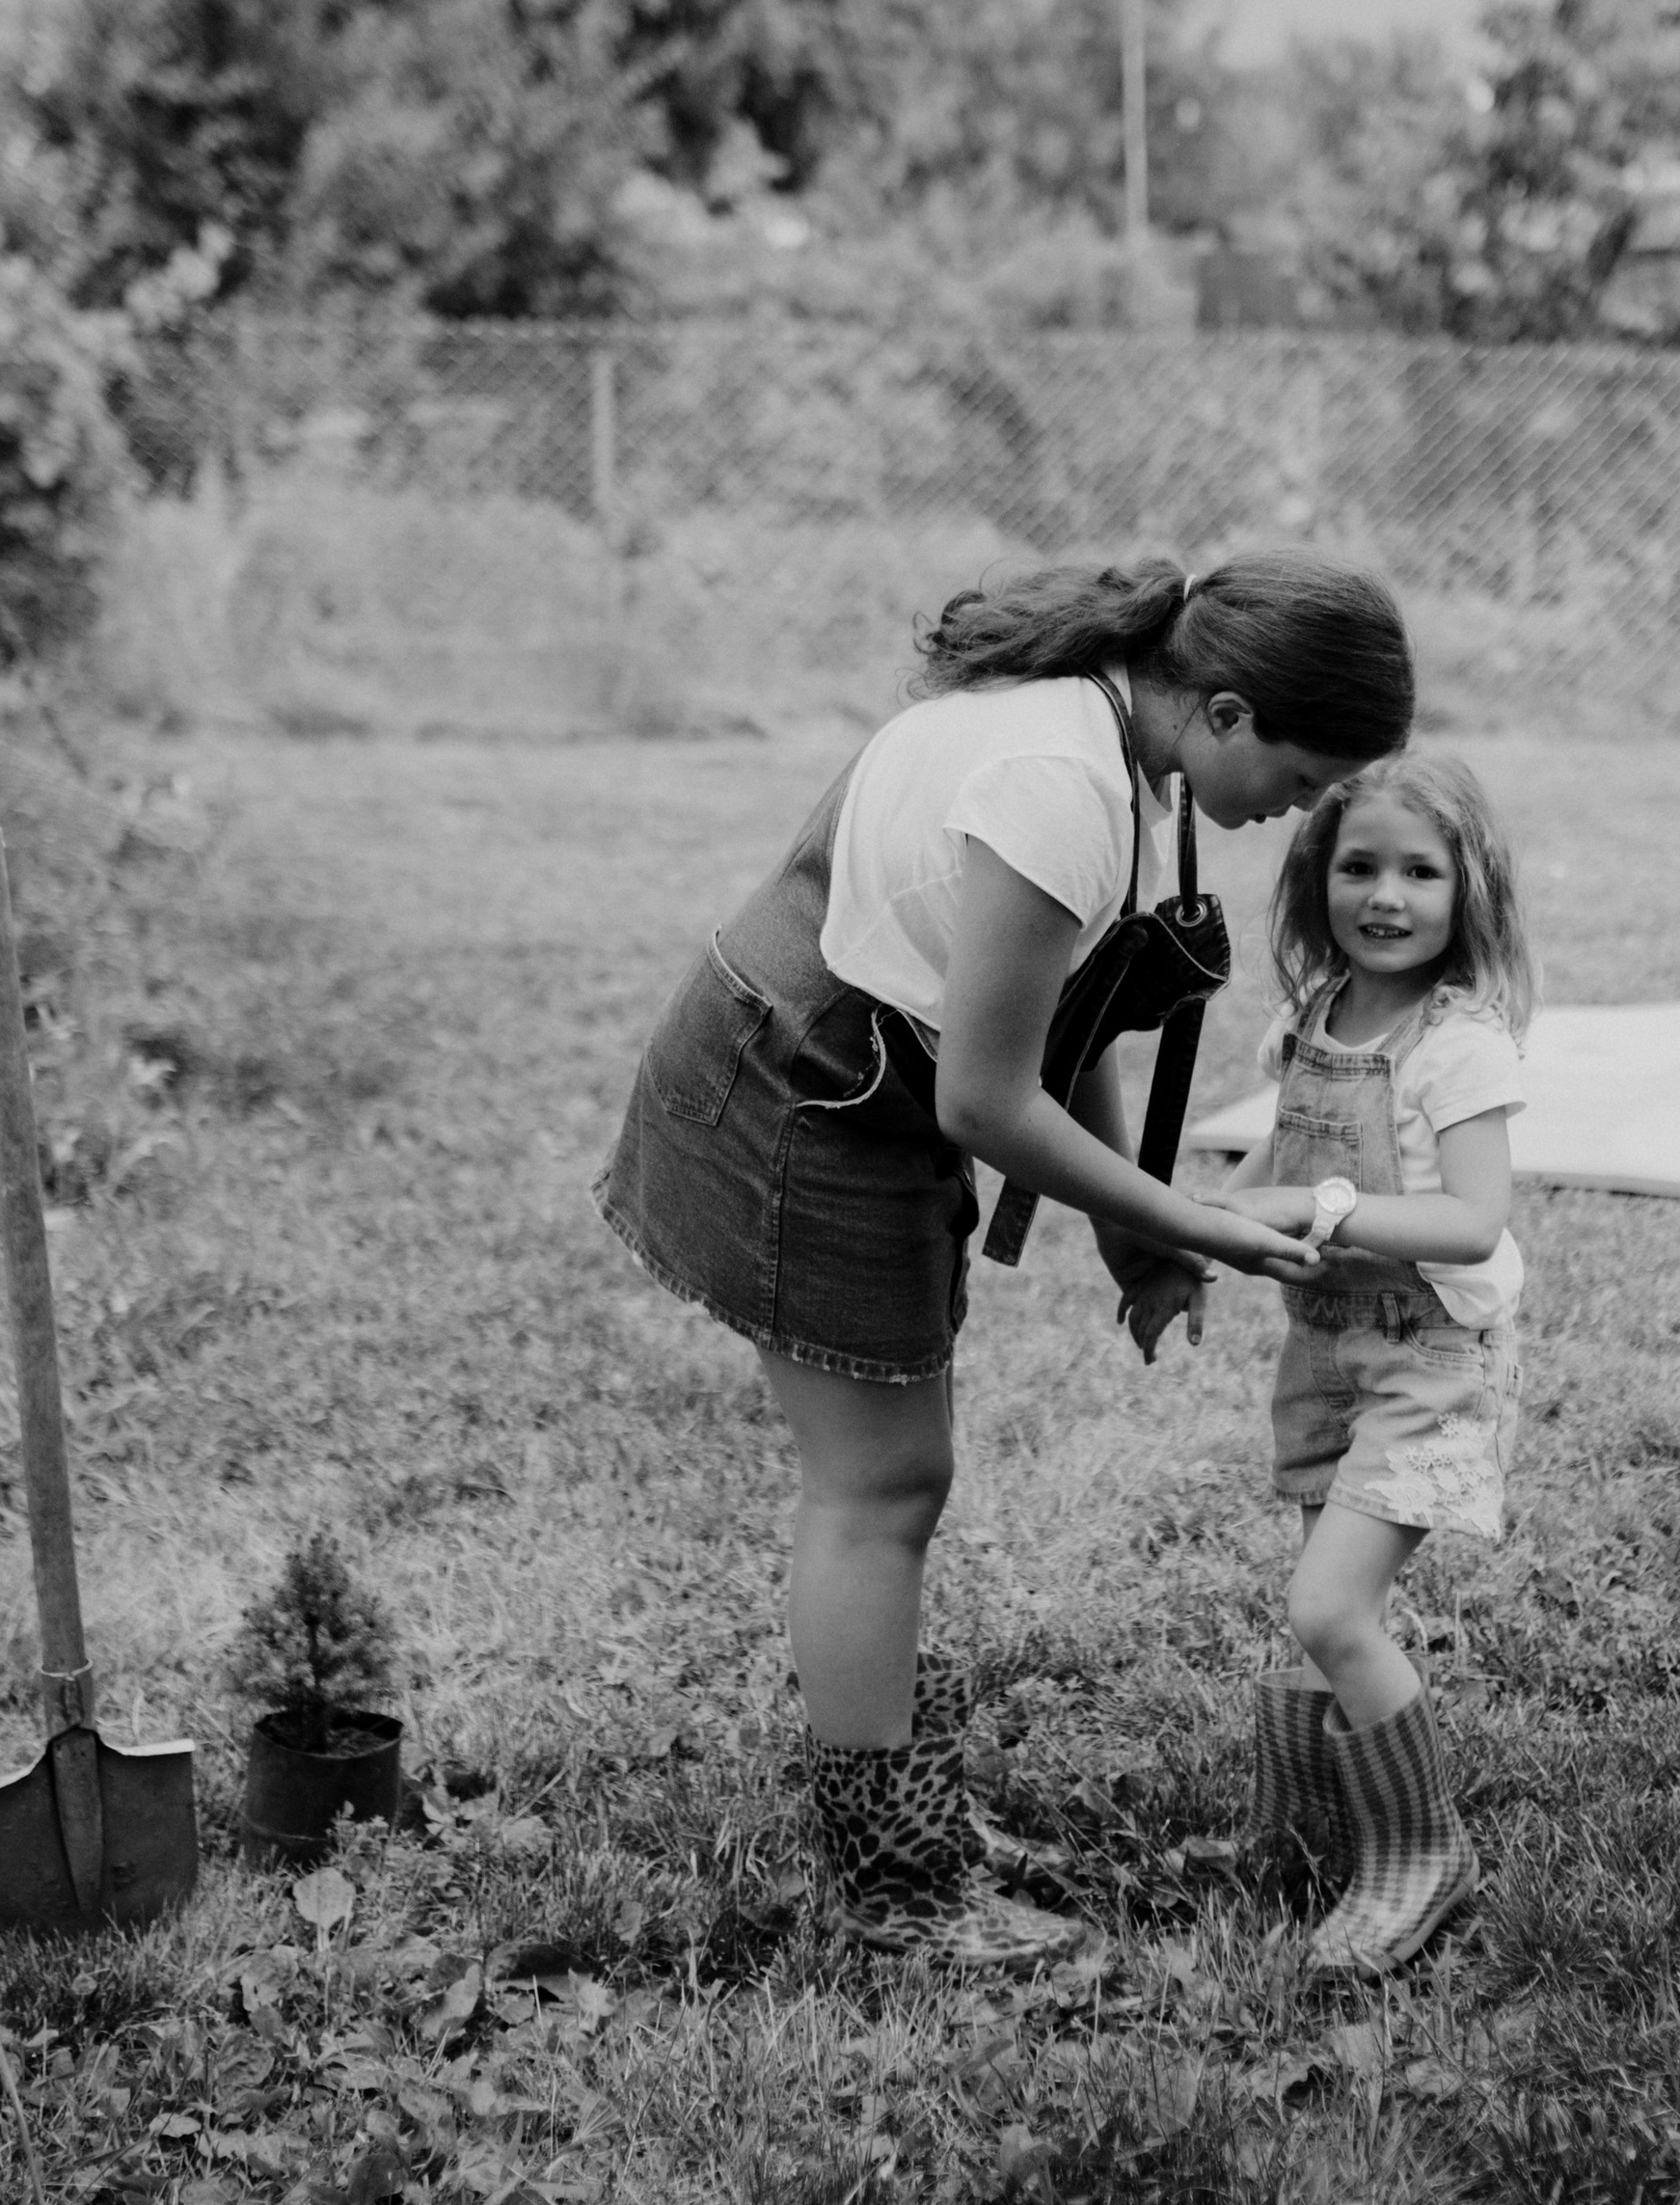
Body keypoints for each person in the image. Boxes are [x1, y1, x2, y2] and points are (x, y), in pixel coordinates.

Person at [596, 549, 1416, 1966]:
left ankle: (908, 1835)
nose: (1297, 812)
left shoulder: (1107, 730)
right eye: (1297, 776)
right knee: (879, 1487)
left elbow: (1054, 1020)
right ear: (1223, 711)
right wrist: (1196, 1222)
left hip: (853, 1078)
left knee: (893, 1479)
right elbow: (989, 1099)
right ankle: (894, 1893)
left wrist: (1129, 1234)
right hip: (802, 1092)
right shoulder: (1066, 784)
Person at [1227, 749, 1535, 1972]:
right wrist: (1198, 1238)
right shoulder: (1307, 1021)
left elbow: (1469, 1221)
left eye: (1420, 869)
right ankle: (1311, 1835)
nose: (1386, 895)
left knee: (1327, 1605)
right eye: (1360, 865)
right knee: (1317, 1604)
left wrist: (1321, 1209)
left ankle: (1422, 1857)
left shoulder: (1460, 1045)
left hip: (1431, 1360)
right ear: (1317, 880)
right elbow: (1264, 1174)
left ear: (1470, 892)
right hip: (1330, 1350)